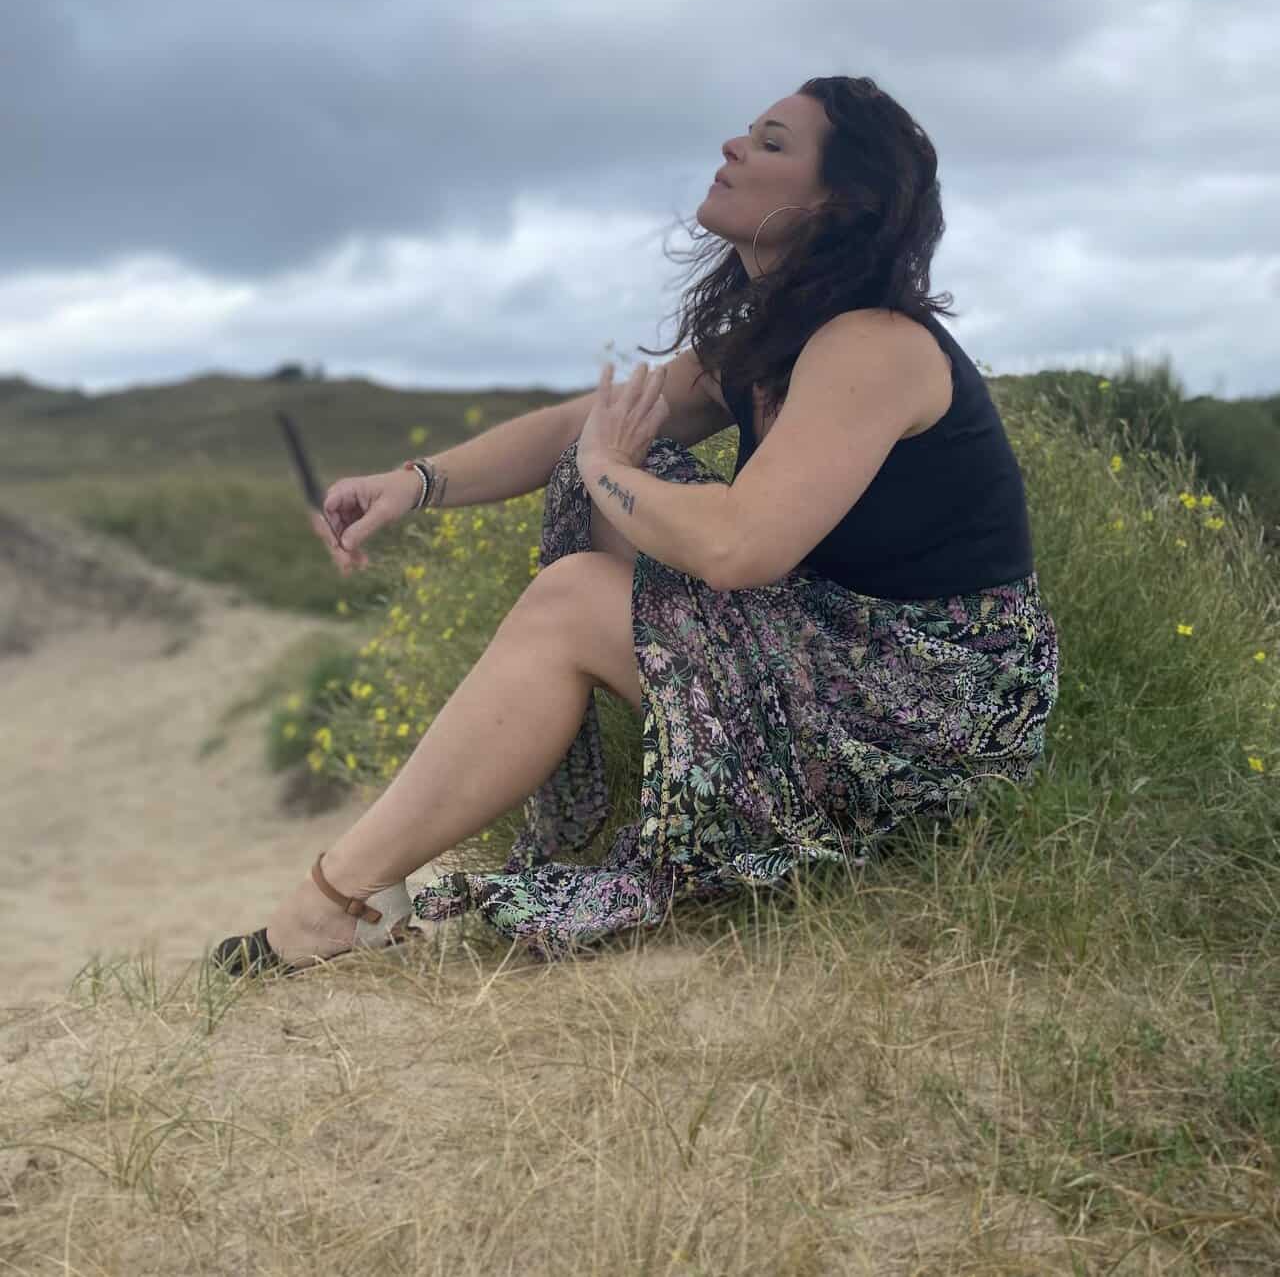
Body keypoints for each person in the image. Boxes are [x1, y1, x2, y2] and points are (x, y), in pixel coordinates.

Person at [213, 74, 1060, 976]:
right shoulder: (769, 337)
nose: (734, 147)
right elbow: (579, 427)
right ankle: (425, 871)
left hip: (935, 711)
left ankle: (337, 902)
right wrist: (413, 484)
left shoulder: (874, 345)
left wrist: (609, 469)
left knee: (583, 571)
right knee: (601, 471)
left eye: (772, 143)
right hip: (836, 652)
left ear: (838, 201)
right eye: (748, 133)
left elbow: (739, 545)